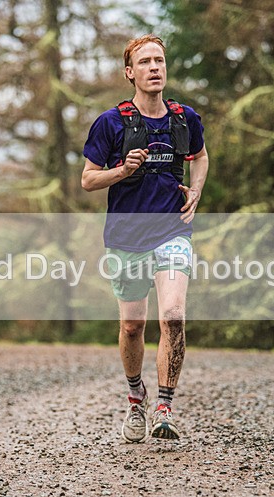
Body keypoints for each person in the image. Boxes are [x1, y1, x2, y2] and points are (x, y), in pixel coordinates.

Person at [81, 35, 209, 441]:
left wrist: (196, 190)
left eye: (159, 61)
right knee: (133, 326)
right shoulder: (111, 123)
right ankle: (136, 398)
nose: (154, 67)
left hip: (172, 231)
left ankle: (164, 408)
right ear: (129, 72)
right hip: (126, 238)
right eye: (145, 62)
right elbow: (87, 179)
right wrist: (122, 171)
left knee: (173, 315)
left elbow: (200, 156)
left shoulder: (185, 118)